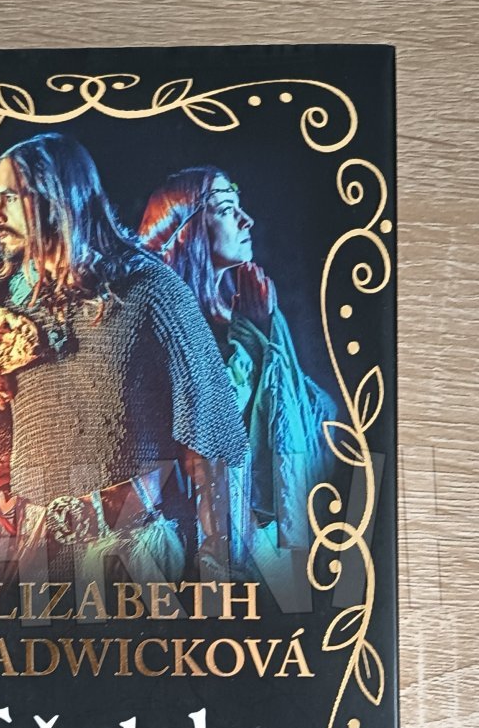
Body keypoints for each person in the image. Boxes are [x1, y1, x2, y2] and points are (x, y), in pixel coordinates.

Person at [0, 135, 248, 584]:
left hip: (137, 560)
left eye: (10, 198)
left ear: (56, 195)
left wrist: (223, 575)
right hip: (38, 563)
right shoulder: (2, 316)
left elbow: (214, 443)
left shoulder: (151, 291)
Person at [139, 167, 335, 554]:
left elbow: (309, 417)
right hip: (194, 530)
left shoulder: (242, 318)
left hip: (254, 528)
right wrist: (254, 336)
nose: (247, 221)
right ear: (189, 229)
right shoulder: (162, 327)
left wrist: (261, 330)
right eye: (228, 209)